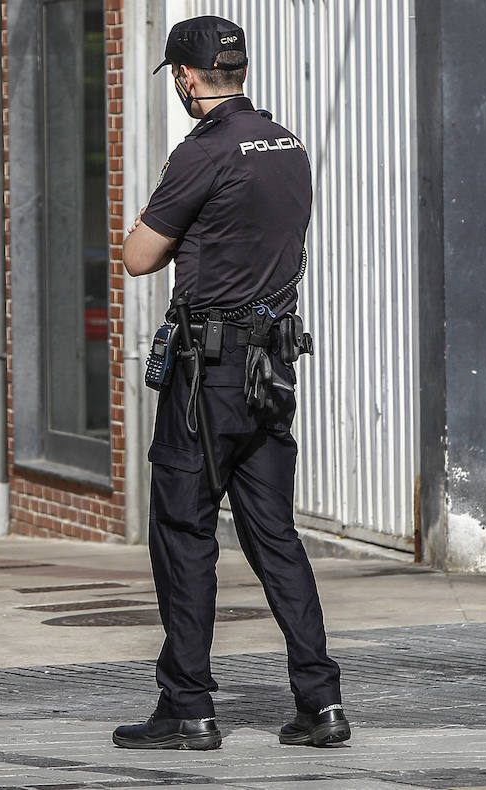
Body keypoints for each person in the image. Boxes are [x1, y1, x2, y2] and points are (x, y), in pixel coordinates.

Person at [113, 17, 349, 750]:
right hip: (271, 370)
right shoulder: (290, 145)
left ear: (186, 77)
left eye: (178, 78)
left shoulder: (201, 153)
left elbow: (139, 257)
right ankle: (322, 702)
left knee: (184, 533)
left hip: (208, 374)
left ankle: (188, 707)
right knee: (275, 535)